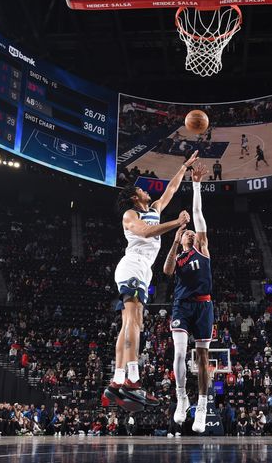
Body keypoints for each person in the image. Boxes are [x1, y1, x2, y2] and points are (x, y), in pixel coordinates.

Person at [103, 151, 198, 412]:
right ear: (135, 197)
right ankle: (133, 377)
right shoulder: (130, 215)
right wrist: (176, 223)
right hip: (132, 265)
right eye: (142, 191)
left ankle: (117, 380)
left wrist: (184, 167)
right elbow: (145, 233)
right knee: (132, 321)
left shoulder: (154, 209)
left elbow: (171, 189)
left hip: (144, 270)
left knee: (133, 323)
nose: (147, 192)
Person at [163, 163, 214, 434]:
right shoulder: (179, 256)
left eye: (193, 232)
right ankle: (182, 397)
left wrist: (196, 184)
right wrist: (173, 240)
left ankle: (203, 405)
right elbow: (167, 271)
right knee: (180, 353)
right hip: (182, 306)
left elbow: (197, 213)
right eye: (187, 233)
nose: (191, 233)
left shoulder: (202, 248)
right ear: (182, 238)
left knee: (203, 359)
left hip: (204, 305)